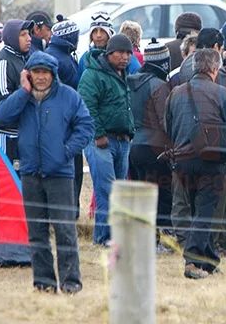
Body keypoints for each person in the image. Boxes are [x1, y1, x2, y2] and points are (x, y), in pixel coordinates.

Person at [0, 52, 94, 293]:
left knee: (65, 232)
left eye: (45, 72)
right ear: (28, 74)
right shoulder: (23, 99)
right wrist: (23, 91)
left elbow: (86, 126)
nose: (41, 77)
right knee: (37, 233)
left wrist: (66, 151)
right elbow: (0, 115)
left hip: (60, 174)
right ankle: (44, 283)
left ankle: (71, 283)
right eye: (36, 72)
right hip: (30, 173)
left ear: (53, 74)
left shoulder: (69, 97)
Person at [165, 48, 226, 279]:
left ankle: (209, 261)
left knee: (199, 210)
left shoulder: (175, 94)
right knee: (205, 211)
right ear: (214, 68)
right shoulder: (222, 93)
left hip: (183, 161)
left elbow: (168, 127)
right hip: (212, 159)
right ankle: (192, 261)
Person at [78, 34, 134, 246]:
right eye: (120, 52)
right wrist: (99, 134)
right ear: (109, 53)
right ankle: (102, 239)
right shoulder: (92, 75)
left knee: (117, 191)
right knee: (106, 191)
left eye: (128, 52)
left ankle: (111, 237)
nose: (125, 57)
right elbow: (87, 106)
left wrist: (131, 132)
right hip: (102, 141)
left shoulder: (123, 74)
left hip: (122, 140)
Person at [128, 39, 173, 249]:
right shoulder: (159, 86)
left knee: (139, 197)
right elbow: (166, 121)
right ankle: (157, 243)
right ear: (164, 63)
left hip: (133, 146)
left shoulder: (130, 81)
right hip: (156, 148)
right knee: (159, 196)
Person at [44, 16, 85, 219]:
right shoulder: (66, 62)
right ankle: (70, 213)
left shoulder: (47, 55)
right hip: (66, 125)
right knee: (73, 171)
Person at [0, 19, 34, 171]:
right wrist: (24, 91)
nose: (29, 38)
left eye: (29, 34)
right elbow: (1, 99)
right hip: (7, 133)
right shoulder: (4, 61)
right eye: (23, 35)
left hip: (24, 130)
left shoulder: (25, 58)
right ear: (12, 38)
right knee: (6, 175)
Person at [76, 11, 116, 83]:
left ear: (109, 33)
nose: (98, 35)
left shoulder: (119, 56)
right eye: (95, 31)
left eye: (103, 31)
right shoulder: (85, 58)